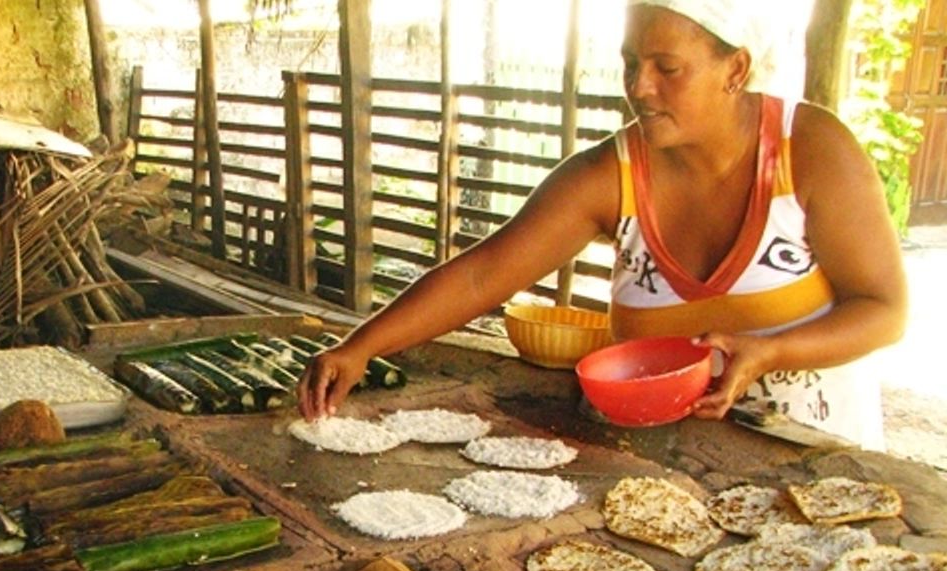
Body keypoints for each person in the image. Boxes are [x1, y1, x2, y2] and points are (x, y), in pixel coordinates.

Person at [297, 0, 907, 449]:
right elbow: (485, 274)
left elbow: (883, 308)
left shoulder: (813, 151)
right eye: (630, 63)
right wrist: (360, 348)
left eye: (668, 67)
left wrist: (772, 351)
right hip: (665, 460)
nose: (639, 87)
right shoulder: (609, 175)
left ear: (736, 69)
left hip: (810, 454)